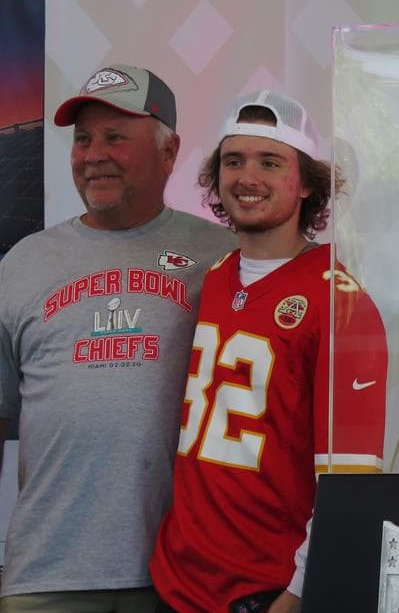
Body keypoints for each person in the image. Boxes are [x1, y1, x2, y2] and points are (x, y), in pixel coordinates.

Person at [0, 64, 236, 612]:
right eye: (82, 139)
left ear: (169, 151)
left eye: (114, 137)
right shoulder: (22, 263)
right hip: (45, 575)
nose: (93, 154)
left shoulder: (222, 258)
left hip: (183, 575)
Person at [150, 90, 388, 613]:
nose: (246, 178)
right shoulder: (214, 277)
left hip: (263, 591)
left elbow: (349, 480)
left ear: (305, 183)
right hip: (177, 581)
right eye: (233, 161)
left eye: (269, 162)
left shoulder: (341, 303)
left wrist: (300, 592)